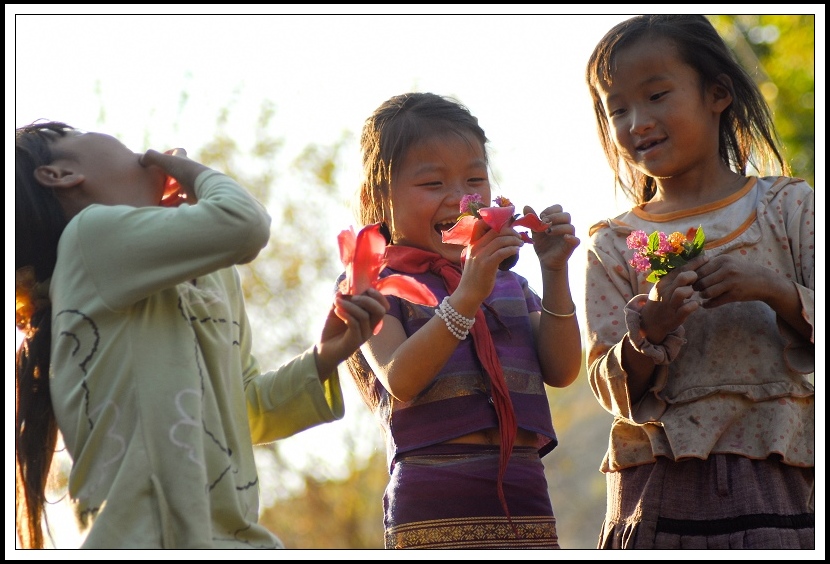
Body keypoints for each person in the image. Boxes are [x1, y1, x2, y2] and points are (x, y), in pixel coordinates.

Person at [14, 121, 390, 549]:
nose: (140, 152)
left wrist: (323, 356)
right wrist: (193, 173)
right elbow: (246, 224)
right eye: (86, 135)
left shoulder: (207, 273)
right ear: (60, 175)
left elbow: (248, 409)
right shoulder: (88, 241)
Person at [583, 15, 815, 549]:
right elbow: (608, 386)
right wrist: (651, 331)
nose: (637, 121)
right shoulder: (615, 244)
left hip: (787, 488)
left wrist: (773, 289)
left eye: (657, 94)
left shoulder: (790, 210)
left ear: (717, 93)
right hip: (659, 497)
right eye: (617, 108)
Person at [339, 92, 583, 549]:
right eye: (432, 184)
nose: (460, 199)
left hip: (524, 491)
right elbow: (401, 377)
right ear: (379, 196)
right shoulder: (371, 282)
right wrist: (467, 296)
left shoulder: (507, 283)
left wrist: (553, 271)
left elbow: (563, 369)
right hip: (432, 502)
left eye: (475, 179)